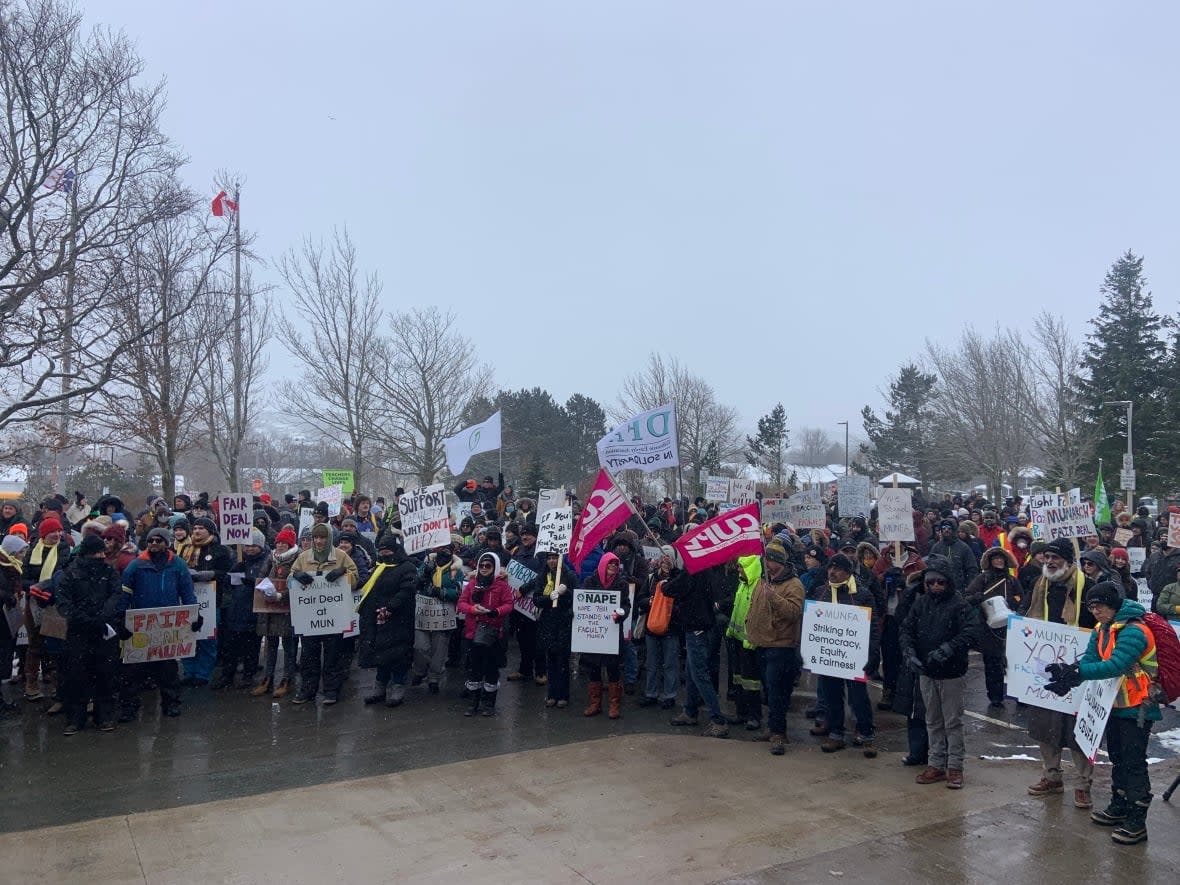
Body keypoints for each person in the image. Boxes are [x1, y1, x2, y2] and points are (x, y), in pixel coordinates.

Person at [1044, 582, 1161, 845]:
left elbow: (1117, 665)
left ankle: (1137, 820)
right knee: (1118, 758)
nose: (1095, 611)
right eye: (1092, 606)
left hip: (1138, 707)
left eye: (1100, 606)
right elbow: (1090, 660)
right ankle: (1119, 806)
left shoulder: (1135, 630)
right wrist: (1069, 675)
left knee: (1133, 763)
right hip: (1114, 705)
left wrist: (1079, 673)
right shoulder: (1102, 629)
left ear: (1114, 605)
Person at [1024, 537, 1097, 808]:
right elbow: (1028, 620)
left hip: (1077, 671)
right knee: (1046, 728)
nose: (1050, 562)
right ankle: (1052, 777)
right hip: (1045, 670)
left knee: (1078, 732)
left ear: (1069, 561)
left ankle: (1083, 784)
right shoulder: (1040, 586)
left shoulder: (1088, 588)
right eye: (1047, 557)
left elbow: (1099, 626)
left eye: (1056, 558)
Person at [900, 557, 982, 789]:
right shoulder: (921, 603)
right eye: (931, 582)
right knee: (932, 719)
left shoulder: (959, 604)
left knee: (952, 721)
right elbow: (906, 628)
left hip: (951, 672)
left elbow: (970, 633)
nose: (935, 586)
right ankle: (936, 762)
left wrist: (949, 649)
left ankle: (955, 767)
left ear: (949, 583)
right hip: (926, 670)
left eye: (940, 582)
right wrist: (909, 651)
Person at [118, 527, 200, 720]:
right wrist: (120, 617)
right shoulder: (136, 565)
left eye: (158, 541)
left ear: (166, 543)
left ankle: (171, 703)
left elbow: (187, 593)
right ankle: (129, 707)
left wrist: (194, 614)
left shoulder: (178, 565)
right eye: (151, 541)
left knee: (168, 668)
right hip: (141, 623)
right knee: (133, 670)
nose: (154, 544)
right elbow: (124, 594)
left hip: (167, 625)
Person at [807, 553, 880, 756]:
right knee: (831, 695)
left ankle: (866, 734)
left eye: (838, 568)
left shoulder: (862, 595)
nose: (833, 572)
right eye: (831, 567)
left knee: (858, 698)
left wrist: (873, 653)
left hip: (854, 657)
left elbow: (873, 627)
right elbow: (812, 622)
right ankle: (836, 733)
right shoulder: (821, 592)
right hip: (830, 656)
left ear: (848, 573)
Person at [55, 534, 124, 734]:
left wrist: (102, 617)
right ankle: (76, 717)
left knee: (106, 673)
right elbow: (64, 603)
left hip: (104, 629)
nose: (100, 555)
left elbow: (115, 595)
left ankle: (104, 715)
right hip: (79, 631)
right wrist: (87, 619)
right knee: (77, 674)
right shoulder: (71, 573)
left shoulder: (108, 571)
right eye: (97, 552)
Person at [744, 540, 805, 755]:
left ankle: (779, 732)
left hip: (781, 645)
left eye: (769, 560)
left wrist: (774, 598)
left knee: (778, 692)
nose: (765, 563)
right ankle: (772, 728)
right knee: (769, 691)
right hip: (762, 643)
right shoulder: (763, 579)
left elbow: (794, 612)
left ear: (779, 562)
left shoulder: (794, 584)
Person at [289, 523, 358, 706]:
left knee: (332, 656)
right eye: (316, 538)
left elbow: (355, 578)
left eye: (323, 537)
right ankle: (308, 690)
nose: (319, 541)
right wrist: (296, 577)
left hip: (334, 617)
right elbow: (290, 577)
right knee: (309, 656)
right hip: (310, 617)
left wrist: (343, 573)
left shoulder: (341, 556)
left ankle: (331, 690)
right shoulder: (303, 557)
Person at [665, 551, 728, 737]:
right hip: (701, 625)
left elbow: (669, 589)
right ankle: (690, 710)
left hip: (695, 627)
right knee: (693, 672)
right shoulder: (705, 571)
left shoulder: (692, 572)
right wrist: (676, 572)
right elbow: (683, 583)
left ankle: (718, 719)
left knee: (699, 674)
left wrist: (670, 576)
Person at [358, 534, 419, 707]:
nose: (385, 554)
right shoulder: (378, 567)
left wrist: (391, 607)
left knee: (398, 655)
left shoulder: (407, 567)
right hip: (378, 618)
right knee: (381, 654)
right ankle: (380, 687)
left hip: (399, 618)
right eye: (382, 551)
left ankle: (398, 687)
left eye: (388, 550)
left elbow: (407, 590)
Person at [963, 547, 1023, 709]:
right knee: (992, 663)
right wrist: (977, 598)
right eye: (995, 558)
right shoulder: (982, 579)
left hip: (1010, 625)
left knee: (1014, 662)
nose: (998, 561)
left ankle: (1018, 692)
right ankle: (995, 696)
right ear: (990, 562)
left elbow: (1021, 597)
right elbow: (967, 597)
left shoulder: (1011, 580)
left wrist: (1014, 601)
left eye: (1001, 559)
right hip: (988, 627)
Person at [21, 515, 72, 706]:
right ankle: (31, 682)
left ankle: (56, 684)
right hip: (33, 600)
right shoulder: (33, 549)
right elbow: (24, 576)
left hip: (54, 601)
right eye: (53, 531)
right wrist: (33, 587)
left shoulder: (64, 549)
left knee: (55, 644)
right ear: (44, 533)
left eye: (59, 531)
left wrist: (46, 588)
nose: (57, 534)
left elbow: (61, 574)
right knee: (34, 643)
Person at [178, 517, 233, 687]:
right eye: (194, 528)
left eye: (201, 528)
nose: (196, 531)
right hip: (188, 599)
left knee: (207, 637)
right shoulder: (185, 549)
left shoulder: (220, 550)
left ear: (210, 531)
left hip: (210, 600)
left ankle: (203, 673)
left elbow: (227, 573)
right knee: (187, 636)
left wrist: (211, 574)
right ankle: (189, 671)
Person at [456, 552, 514, 717]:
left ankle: (488, 703)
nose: (484, 569)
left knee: (491, 668)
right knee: (474, 668)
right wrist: (472, 609)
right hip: (473, 633)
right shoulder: (473, 583)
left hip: (493, 633)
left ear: (494, 567)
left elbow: (509, 604)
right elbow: (462, 603)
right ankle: (473, 702)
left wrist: (496, 612)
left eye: (488, 566)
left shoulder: (501, 586)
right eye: (481, 565)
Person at [578, 551, 632, 721]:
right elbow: (583, 604)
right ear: (603, 565)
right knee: (593, 668)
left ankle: (614, 704)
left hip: (612, 633)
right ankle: (595, 703)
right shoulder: (589, 581)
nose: (613, 567)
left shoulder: (621, 584)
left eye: (616, 564)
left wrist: (621, 613)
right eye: (610, 564)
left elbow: (626, 605)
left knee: (613, 669)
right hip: (593, 634)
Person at [215, 528, 269, 690]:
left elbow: (266, 584)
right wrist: (233, 573)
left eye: (253, 545)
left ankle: (248, 674)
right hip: (236, 610)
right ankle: (227, 675)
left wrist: (251, 581)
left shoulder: (265, 562)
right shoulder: (239, 561)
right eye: (247, 546)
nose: (250, 549)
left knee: (251, 648)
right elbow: (227, 584)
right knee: (231, 647)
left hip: (253, 611)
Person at [411, 545, 462, 694]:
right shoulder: (426, 564)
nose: (444, 552)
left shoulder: (456, 570)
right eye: (442, 549)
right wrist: (426, 572)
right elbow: (416, 584)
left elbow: (458, 591)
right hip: (424, 612)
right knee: (421, 646)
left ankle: (434, 678)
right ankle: (420, 671)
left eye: (448, 550)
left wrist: (441, 592)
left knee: (439, 650)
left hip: (444, 615)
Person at [254, 526, 298, 698]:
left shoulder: (296, 559)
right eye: (278, 543)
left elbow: (295, 584)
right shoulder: (271, 558)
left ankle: (287, 678)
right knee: (271, 645)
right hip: (270, 609)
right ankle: (268, 677)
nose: (280, 546)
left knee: (288, 646)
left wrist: (281, 595)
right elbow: (261, 575)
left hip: (287, 609)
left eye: (283, 543)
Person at [530, 551, 577, 708]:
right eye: (549, 558)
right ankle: (551, 694)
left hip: (563, 622)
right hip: (547, 622)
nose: (552, 561)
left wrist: (565, 593)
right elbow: (536, 599)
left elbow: (575, 598)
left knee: (563, 659)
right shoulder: (542, 577)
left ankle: (563, 695)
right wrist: (549, 598)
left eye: (555, 558)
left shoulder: (569, 575)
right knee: (551, 658)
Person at [635, 550, 680, 711]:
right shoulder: (651, 578)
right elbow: (640, 599)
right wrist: (650, 601)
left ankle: (669, 695)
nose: (665, 562)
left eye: (669, 559)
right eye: (663, 559)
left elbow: (683, 602)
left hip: (671, 628)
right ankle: (651, 693)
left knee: (669, 664)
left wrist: (669, 607)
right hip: (652, 626)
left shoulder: (678, 579)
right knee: (652, 663)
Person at [926, 520, 979, 590]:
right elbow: (930, 567)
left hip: (959, 587)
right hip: (940, 587)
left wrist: (969, 586)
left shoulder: (963, 547)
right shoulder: (936, 547)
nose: (946, 530)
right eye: (944, 528)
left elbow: (971, 568)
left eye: (949, 528)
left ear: (954, 530)